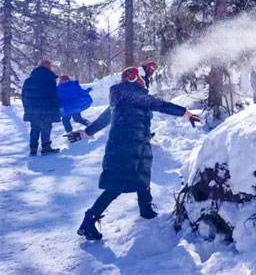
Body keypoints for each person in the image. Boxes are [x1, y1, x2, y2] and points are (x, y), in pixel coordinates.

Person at [70, 66, 204, 240]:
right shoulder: (135, 94)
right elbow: (161, 105)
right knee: (117, 185)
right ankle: (89, 220)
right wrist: (186, 113)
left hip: (128, 145)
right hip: (131, 145)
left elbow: (104, 119)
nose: (143, 83)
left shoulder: (119, 98)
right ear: (136, 80)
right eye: (141, 80)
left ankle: (146, 209)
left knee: (141, 175)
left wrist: (85, 133)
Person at [22, 60, 61, 156]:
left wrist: (27, 108)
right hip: (46, 109)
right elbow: (53, 96)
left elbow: (23, 96)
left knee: (34, 128)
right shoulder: (49, 79)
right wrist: (58, 107)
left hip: (32, 109)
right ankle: (46, 147)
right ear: (48, 68)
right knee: (46, 128)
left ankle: (33, 149)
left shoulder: (28, 80)